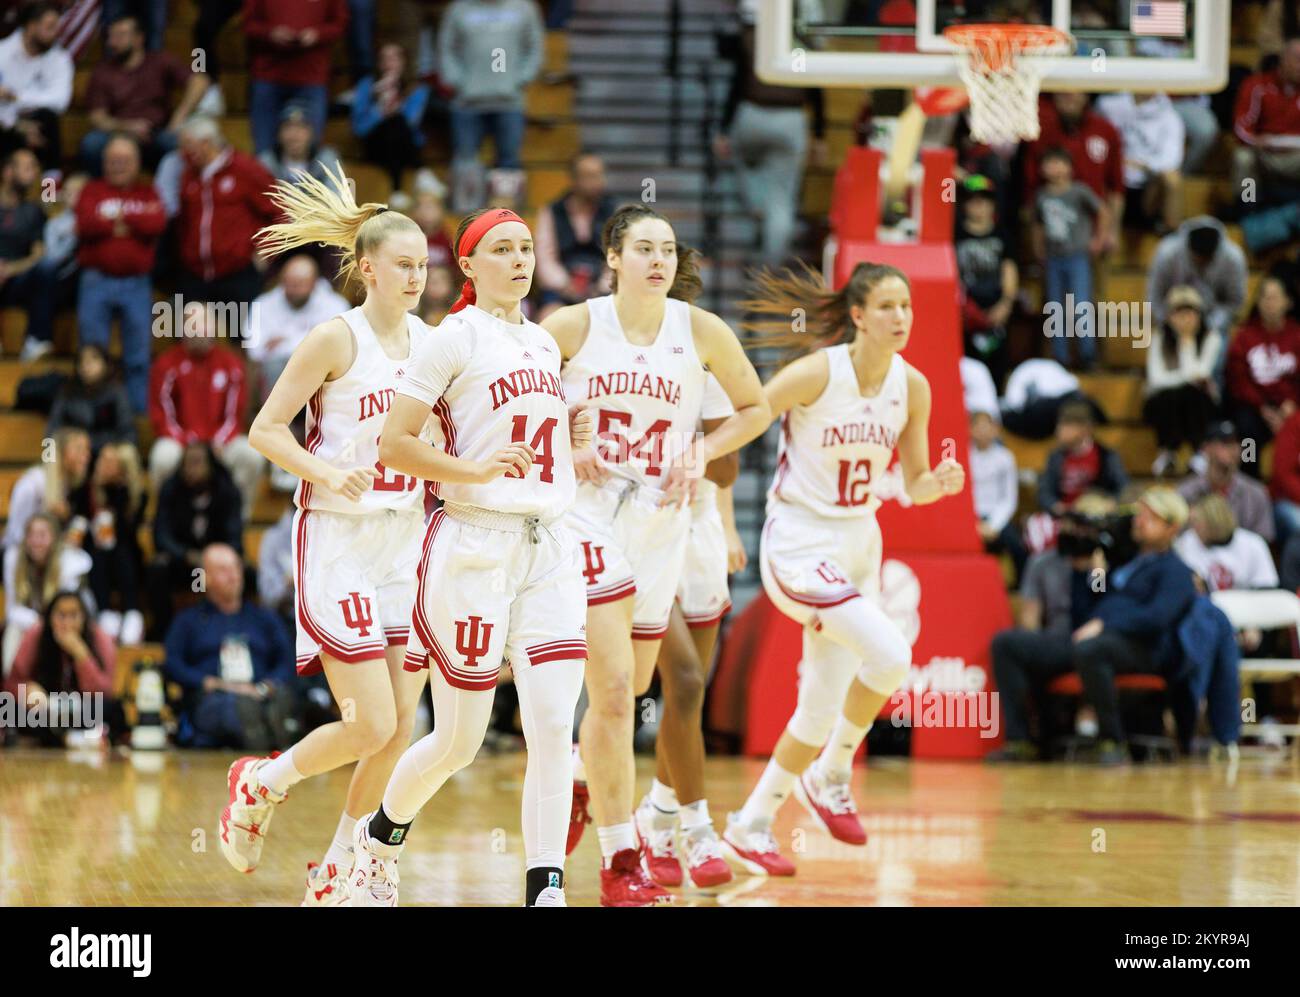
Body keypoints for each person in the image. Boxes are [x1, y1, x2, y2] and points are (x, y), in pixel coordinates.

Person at [342, 204, 596, 909]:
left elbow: (525, 442)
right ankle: (377, 840)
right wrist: (477, 470)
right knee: (459, 741)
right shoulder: (451, 339)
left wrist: (568, 445)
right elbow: (395, 444)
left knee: (552, 724)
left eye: (525, 249)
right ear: (469, 264)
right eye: (504, 249)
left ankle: (545, 886)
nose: (520, 261)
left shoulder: (545, 345)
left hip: (547, 546)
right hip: (472, 545)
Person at [212, 165, 435, 907]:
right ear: (367, 267)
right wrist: (325, 470)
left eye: (424, 265)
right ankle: (262, 780)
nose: (416, 276)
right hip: (338, 537)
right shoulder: (334, 338)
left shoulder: (437, 345)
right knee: (369, 720)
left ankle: (339, 866)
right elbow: (264, 429)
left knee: (401, 726)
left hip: (408, 542)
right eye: (404, 264)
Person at [542, 203, 769, 904]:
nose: (658, 260)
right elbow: (514, 399)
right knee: (613, 690)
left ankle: (587, 772)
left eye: (667, 249)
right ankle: (623, 856)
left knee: (632, 689)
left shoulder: (699, 329)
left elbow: (757, 408)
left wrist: (704, 449)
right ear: (612, 256)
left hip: (661, 524)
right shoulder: (573, 326)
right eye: (643, 247)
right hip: (587, 517)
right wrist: (567, 442)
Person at [719, 261, 964, 875]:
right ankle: (831, 773)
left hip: (860, 542)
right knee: (891, 655)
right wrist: (695, 457)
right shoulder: (815, 373)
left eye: (906, 306)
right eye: (886, 306)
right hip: (800, 541)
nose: (900, 317)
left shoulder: (913, 387)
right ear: (857, 315)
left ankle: (751, 824)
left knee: (819, 708)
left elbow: (914, 483)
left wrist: (937, 483)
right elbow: (749, 414)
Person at [633, 374, 742, 889]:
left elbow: (726, 469)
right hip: (637, 527)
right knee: (686, 680)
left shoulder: (702, 370)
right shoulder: (610, 357)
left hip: (699, 529)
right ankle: (698, 829)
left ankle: (656, 818)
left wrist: (699, 444)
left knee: (686, 695)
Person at [988, 492, 1118, 762]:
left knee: (1090, 647)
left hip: (1097, 643)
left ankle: (1104, 737)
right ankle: (1020, 740)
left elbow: (1103, 612)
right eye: (1074, 526)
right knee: (1007, 644)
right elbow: (1030, 617)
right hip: (1058, 641)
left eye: (1086, 529)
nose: (1078, 534)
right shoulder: (1043, 563)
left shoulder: (1106, 562)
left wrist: (1096, 574)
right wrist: (1035, 647)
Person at [713, 1, 827, 265]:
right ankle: (768, 267)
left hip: (751, 112)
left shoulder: (755, 36)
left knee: (745, 168)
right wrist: (820, 133)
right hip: (790, 118)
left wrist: (723, 128)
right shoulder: (804, 39)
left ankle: (759, 208)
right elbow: (817, 89)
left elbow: (736, 82)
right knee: (782, 203)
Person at [164, 544, 297, 749]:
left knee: (280, 698)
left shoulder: (265, 618)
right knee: (232, 707)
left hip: (261, 691)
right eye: (223, 570)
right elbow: (172, 664)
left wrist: (265, 687)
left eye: (236, 568)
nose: (233, 576)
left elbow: (286, 662)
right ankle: (264, 744)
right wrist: (209, 682)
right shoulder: (188, 621)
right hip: (214, 696)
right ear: (205, 577)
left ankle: (266, 734)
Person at [148, 301, 267, 519]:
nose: (197, 330)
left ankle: (238, 520)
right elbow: (162, 414)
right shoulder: (166, 364)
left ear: (214, 328)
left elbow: (235, 415)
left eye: (203, 324)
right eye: (191, 324)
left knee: (251, 456)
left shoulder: (231, 364)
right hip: (181, 443)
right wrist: (187, 442)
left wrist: (218, 441)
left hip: (220, 443)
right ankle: (166, 520)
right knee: (162, 455)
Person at [74, 134, 167, 412]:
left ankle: (136, 420)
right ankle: (90, 416)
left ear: (137, 163)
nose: (119, 165)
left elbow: (156, 223)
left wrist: (114, 220)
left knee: (138, 357)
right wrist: (132, 222)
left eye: (125, 160)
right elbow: (85, 224)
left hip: (136, 283)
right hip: (95, 281)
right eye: (113, 160)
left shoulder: (148, 192)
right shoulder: (91, 190)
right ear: (103, 163)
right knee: (92, 355)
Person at [438, 0, 544, 211]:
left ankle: (507, 218)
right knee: (466, 162)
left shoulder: (524, 8)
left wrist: (519, 80)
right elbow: (446, 49)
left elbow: (534, 48)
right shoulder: (458, 9)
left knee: (509, 162)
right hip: (467, 102)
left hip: (509, 101)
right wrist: (458, 82)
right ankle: (466, 223)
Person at [80, 13, 210, 172]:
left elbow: (200, 82)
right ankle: (102, 192)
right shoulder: (102, 71)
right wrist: (127, 127)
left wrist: (178, 117)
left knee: (184, 144)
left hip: (158, 132)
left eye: (120, 35)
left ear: (138, 38)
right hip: (118, 134)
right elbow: (97, 117)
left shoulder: (160, 61)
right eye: (111, 36)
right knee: (91, 143)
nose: (113, 42)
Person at [174, 116, 279, 311]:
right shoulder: (188, 175)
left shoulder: (246, 169)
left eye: (188, 146)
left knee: (243, 338)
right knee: (190, 335)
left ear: (206, 143)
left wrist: (265, 252)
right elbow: (184, 221)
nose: (183, 153)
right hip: (195, 273)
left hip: (238, 271)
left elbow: (281, 211)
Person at [146, 441, 246, 639]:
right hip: (185, 565)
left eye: (198, 462)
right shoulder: (171, 489)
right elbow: (161, 535)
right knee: (157, 569)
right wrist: (187, 555)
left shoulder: (227, 491)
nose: (192, 469)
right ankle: (163, 633)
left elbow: (235, 538)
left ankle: (237, 629)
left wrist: (212, 559)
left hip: (215, 565)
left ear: (210, 465)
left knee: (247, 573)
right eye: (187, 463)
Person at [3, 591, 117, 746]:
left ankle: (66, 737)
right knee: (7, 707)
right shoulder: (37, 634)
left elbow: (104, 691)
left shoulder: (99, 637)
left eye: (74, 615)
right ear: (50, 617)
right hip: (45, 710)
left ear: (84, 618)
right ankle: (70, 738)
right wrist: (29, 689)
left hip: (82, 711)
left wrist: (81, 655)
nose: (67, 623)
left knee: (111, 709)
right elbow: (11, 682)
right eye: (61, 615)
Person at [242, 0, 348, 156]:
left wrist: (318, 34)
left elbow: (340, 24)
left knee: (309, 154)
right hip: (268, 75)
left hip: (311, 76)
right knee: (263, 153)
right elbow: (248, 24)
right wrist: (270, 33)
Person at [1034, 148, 1108, 370]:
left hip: (1077, 257)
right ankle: (1060, 358)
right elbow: (1038, 225)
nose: (1054, 168)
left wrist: (1098, 239)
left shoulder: (1079, 191)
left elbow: (1102, 211)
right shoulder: (1042, 195)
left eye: (1059, 162)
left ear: (1070, 168)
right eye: (1049, 163)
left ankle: (1088, 355)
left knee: (1080, 305)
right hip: (1054, 259)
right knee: (1056, 307)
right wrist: (1039, 250)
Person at [245, 253, 350, 403]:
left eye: (300, 284)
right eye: (289, 283)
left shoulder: (335, 305)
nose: (293, 289)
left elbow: (340, 347)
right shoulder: (263, 304)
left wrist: (285, 341)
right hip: (276, 373)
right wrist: (309, 338)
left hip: (319, 369)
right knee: (273, 366)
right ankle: (277, 422)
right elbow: (254, 351)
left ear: (314, 283)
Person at [70, 441, 146, 645]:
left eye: (112, 462)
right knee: (97, 555)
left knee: (121, 552)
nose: (105, 466)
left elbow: (129, 533)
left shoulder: (131, 494)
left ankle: (132, 613)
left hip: (125, 556)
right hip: (93, 556)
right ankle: (103, 613)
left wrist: (116, 496)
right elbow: (77, 522)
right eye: (103, 460)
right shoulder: (84, 490)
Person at [1143, 285, 1222, 478]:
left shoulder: (1211, 337)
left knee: (1193, 394)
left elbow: (1202, 373)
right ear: (1169, 317)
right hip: (1165, 402)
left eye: (1190, 312)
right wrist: (1187, 376)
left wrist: (1187, 343)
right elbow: (1156, 379)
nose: (1185, 319)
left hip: (1199, 402)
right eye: (1179, 313)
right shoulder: (1160, 338)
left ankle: (1198, 452)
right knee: (1169, 396)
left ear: (1199, 315)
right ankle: (1168, 452)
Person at [3, 514, 92, 677]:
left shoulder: (68, 562)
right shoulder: (14, 559)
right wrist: (36, 622)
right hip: (31, 625)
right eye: (32, 535)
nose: (36, 541)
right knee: (13, 630)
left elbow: (68, 607)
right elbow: (12, 610)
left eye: (42, 535)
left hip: (62, 623)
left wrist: (45, 624)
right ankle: (12, 682)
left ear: (54, 537)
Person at [532, 151, 616, 320]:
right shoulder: (552, 211)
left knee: (613, 319)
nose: (596, 183)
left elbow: (618, 257)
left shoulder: (613, 212)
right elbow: (544, 257)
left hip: (602, 288)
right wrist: (565, 284)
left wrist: (600, 286)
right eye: (589, 176)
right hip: (560, 289)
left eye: (599, 176)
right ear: (574, 179)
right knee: (550, 316)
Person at [1224, 274, 1300, 454]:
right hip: (1255, 408)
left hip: (1289, 406)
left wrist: (1292, 403)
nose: (1269, 303)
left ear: (1287, 302)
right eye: (1265, 297)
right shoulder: (1245, 335)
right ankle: (1249, 475)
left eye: (1274, 297)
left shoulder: (1296, 335)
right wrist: (1262, 407)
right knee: (1246, 432)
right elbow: (1237, 378)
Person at [956, 175, 1017, 385]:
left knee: (997, 365)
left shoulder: (1002, 235)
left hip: (995, 310)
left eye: (984, 201)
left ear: (992, 205)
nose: (979, 206)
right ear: (965, 205)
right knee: (966, 366)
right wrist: (962, 307)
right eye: (973, 201)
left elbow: (1009, 270)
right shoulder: (956, 235)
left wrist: (1006, 304)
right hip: (965, 311)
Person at [1094, 91, 1185, 233]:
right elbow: (1096, 138)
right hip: (1113, 181)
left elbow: (1171, 160)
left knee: (1172, 178)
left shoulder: (1170, 116)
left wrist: (1141, 165)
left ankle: (1171, 233)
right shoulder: (1108, 105)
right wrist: (1117, 163)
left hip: (1146, 190)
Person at [1147, 217, 1248, 340]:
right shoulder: (1167, 254)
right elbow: (1154, 297)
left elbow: (1235, 302)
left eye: (1207, 261)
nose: (1202, 264)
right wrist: (1171, 323)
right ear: (1188, 249)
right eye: (1198, 260)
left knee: (1218, 339)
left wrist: (1211, 325)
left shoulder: (1233, 259)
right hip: (1173, 321)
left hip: (1214, 324)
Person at [0, 3, 73, 168]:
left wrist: (15, 97)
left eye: (56, 27)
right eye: (50, 27)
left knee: (47, 119)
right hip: (5, 125)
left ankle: (51, 188)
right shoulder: (2, 52)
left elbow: (60, 101)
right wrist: (15, 126)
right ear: (32, 26)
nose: (56, 33)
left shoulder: (60, 58)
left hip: (38, 124)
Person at [0, 148, 56, 361]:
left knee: (47, 267)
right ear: (7, 172)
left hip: (15, 281)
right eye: (26, 167)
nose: (33, 173)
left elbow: (38, 255)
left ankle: (36, 339)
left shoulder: (33, 211)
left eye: (34, 167)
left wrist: (9, 269)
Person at [1179, 420, 1276, 542]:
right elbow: (1177, 539)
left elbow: (1264, 539)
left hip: (1241, 558)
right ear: (1206, 448)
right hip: (1199, 557)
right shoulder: (1186, 491)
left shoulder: (1256, 493)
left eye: (1235, 443)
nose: (1232, 449)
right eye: (1224, 443)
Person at [351, 42, 431, 189]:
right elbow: (359, 129)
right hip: (375, 145)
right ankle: (421, 171)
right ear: (378, 63)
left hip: (406, 145)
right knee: (391, 126)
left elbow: (410, 124)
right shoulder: (367, 85)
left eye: (395, 58)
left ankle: (397, 190)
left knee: (396, 124)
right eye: (384, 58)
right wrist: (380, 109)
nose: (389, 63)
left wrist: (395, 99)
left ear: (404, 62)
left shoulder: (418, 89)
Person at [2, 427, 91, 554]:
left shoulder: (67, 485)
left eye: (87, 449)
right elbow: (16, 533)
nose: (86, 456)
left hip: (46, 559)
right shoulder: (33, 483)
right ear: (60, 451)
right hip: (19, 558)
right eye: (79, 449)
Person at [1232, 34, 1300, 199]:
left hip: (1295, 156)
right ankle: (1247, 207)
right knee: (1243, 158)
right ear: (1283, 60)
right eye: (1298, 59)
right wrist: (1256, 141)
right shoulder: (1257, 85)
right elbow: (1241, 128)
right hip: (1264, 153)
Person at [1037, 399, 1129, 514]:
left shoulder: (1106, 456)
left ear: (1084, 429)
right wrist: (1056, 506)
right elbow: (1045, 492)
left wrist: (1110, 503)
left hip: (1096, 516)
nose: (1058, 431)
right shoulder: (1056, 457)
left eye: (1066, 425)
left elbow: (1124, 488)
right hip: (1065, 516)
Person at [1174, 494, 1278, 593]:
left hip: (1247, 607)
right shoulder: (1186, 542)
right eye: (1192, 523)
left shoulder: (1253, 544)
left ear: (1215, 522)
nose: (1194, 529)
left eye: (1197, 523)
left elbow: (1266, 586)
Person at [47, 344, 138, 454]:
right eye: (82, 360)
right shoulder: (67, 392)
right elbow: (52, 430)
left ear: (105, 364)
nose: (87, 364)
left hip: (108, 456)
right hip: (72, 456)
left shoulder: (117, 393)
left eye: (94, 359)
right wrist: (50, 460)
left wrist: (111, 451)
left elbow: (128, 433)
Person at [970, 409, 1024, 582]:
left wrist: (994, 525)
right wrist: (974, 523)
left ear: (996, 429)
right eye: (978, 426)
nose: (983, 431)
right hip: (971, 517)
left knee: (1018, 547)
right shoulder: (963, 456)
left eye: (988, 426)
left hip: (996, 517)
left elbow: (1009, 498)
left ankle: (1019, 589)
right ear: (970, 429)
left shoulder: (1005, 458)